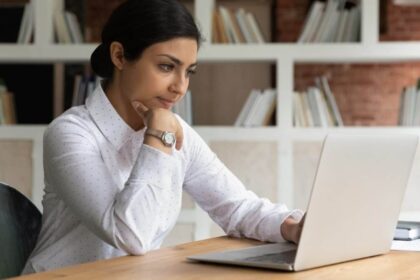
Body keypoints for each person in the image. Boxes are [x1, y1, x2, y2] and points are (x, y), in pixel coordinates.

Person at [22, 0, 304, 274]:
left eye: (189, 72)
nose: (180, 87)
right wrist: (157, 137)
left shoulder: (174, 130)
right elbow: (130, 235)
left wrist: (292, 226)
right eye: (167, 67)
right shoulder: (71, 134)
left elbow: (238, 208)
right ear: (119, 56)